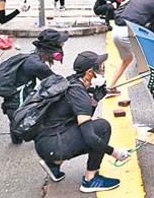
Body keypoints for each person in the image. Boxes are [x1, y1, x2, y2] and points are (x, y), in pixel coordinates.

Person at [35, 51, 129, 193]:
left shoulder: (72, 83)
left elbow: (82, 118)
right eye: (99, 67)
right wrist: (115, 153)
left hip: (45, 141)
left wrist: (95, 100)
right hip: (53, 145)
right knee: (102, 127)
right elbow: (90, 137)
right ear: (89, 72)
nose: (102, 69)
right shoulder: (79, 94)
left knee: (91, 127)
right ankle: (91, 179)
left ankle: (53, 164)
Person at [3, 29, 66, 144]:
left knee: (17, 129)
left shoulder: (33, 57)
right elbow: (56, 82)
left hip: (13, 97)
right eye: (59, 45)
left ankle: (16, 131)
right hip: (17, 103)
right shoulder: (37, 65)